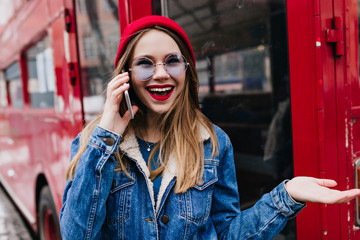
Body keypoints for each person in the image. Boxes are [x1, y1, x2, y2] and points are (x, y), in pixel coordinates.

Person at [59, 15, 360, 240]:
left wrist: (286, 195)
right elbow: (76, 235)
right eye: (145, 64)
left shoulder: (213, 143)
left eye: (172, 61)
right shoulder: (93, 143)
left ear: (187, 72)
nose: (161, 74)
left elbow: (227, 233)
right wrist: (108, 135)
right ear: (125, 75)